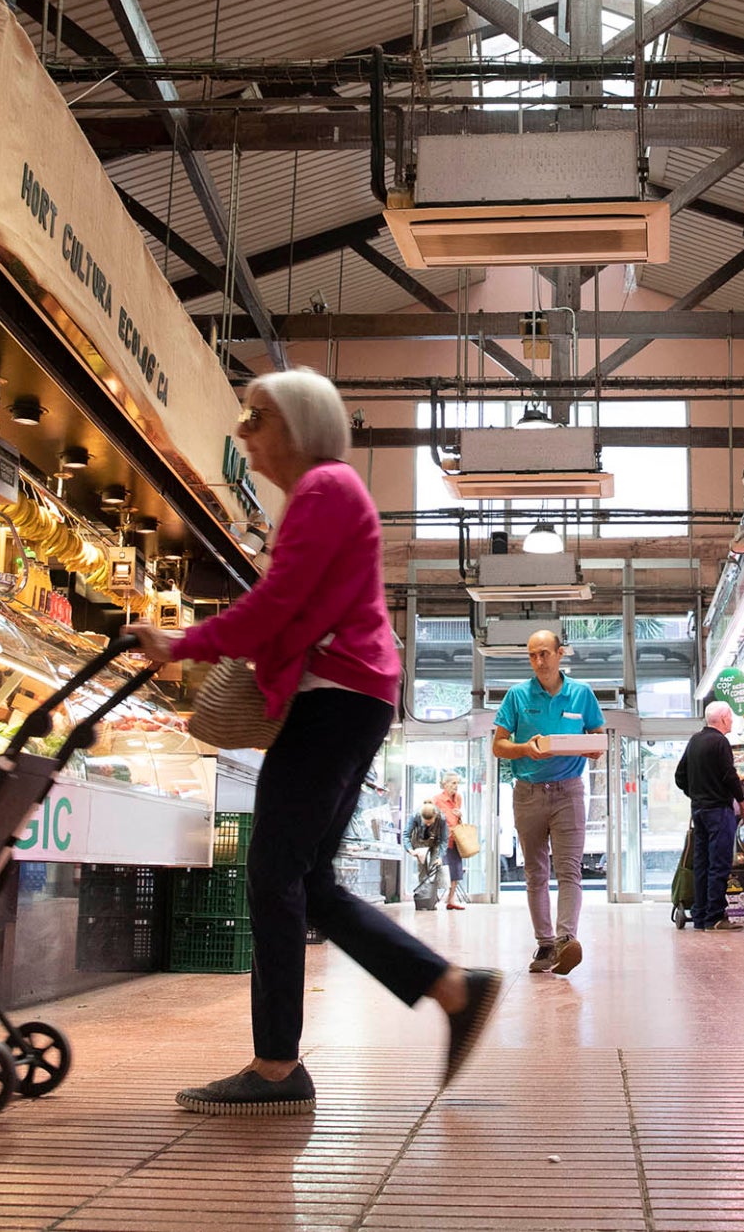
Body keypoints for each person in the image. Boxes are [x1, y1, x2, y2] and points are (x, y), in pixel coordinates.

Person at [132, 369, 498, 1115]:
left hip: (335, 699)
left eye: (255, 416)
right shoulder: (325, 494)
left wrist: (182, 643)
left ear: (295, 425)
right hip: (352, 697)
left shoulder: (325, 490)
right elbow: (290, 604)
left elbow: (279, 603)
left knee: (274, 873)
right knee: (310, 883)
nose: (243, 432)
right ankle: (451, 989)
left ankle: (275, 1065)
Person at [492, 629, 603, 974]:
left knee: (569, 869)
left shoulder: (582, 694)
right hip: (527, 792)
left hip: (569, 791)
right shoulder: (517, 695)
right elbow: (499, 746)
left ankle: (566, 940)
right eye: (532, 655)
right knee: (535, 872)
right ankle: (544, 945)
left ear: (560, 654)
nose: (539, 661)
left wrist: (576, 745)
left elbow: (599, 743)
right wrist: (526, 748)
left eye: (544, 653)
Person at [676, 702, 744, 930]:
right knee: (719, 863)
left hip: (699, 811)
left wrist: (696, 794)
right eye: (731, 718)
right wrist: (743, 804)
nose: (732, 722)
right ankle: (715, 917)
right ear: (725, 719)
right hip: (719, 811)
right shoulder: (720, 742)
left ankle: (700, 916)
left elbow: (680, 776)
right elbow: (730, 776)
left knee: (702, 863)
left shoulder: (695, 741)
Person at [432, 770, 468, 909]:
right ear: (444, 784)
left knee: (456, 870)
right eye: (453, 783)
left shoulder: (458, 798)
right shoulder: (436, 800)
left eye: (457, 783)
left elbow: (457, 818)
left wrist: (460, 815)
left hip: (456, 839)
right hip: (442, 840)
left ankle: (451, 900)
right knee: (440, 869)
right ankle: (432, 898)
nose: (456, 786)